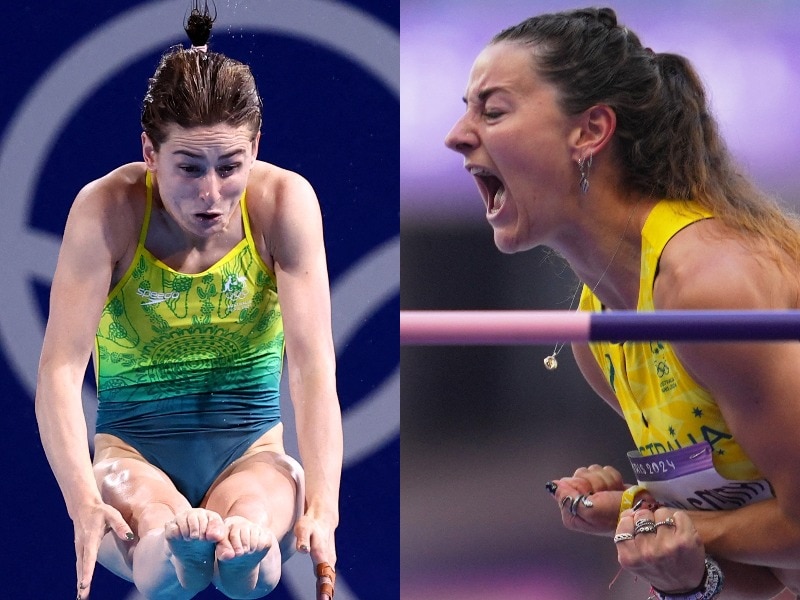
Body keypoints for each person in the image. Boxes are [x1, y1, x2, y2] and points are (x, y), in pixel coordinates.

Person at [445, 6, 800, 599]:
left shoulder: (711, 289)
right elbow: (768, 578)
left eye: (493, 109)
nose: (457, 134)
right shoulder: (600, 338)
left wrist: (655, 522)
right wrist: (656, 536)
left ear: (589, 132)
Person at [35, 5, 340, 600]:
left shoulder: (283, 204)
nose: (210, 193)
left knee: (252, 518)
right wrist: (81, 499)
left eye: (230, 167)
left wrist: (323, 506)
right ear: (149, 152)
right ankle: (179, 552)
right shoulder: (107, 211)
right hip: (132, 451)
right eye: (188, 167)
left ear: (256, 145)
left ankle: (240, 556)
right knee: (153, 522)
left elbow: (312, 366)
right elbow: (60, 369)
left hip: (251, 447)